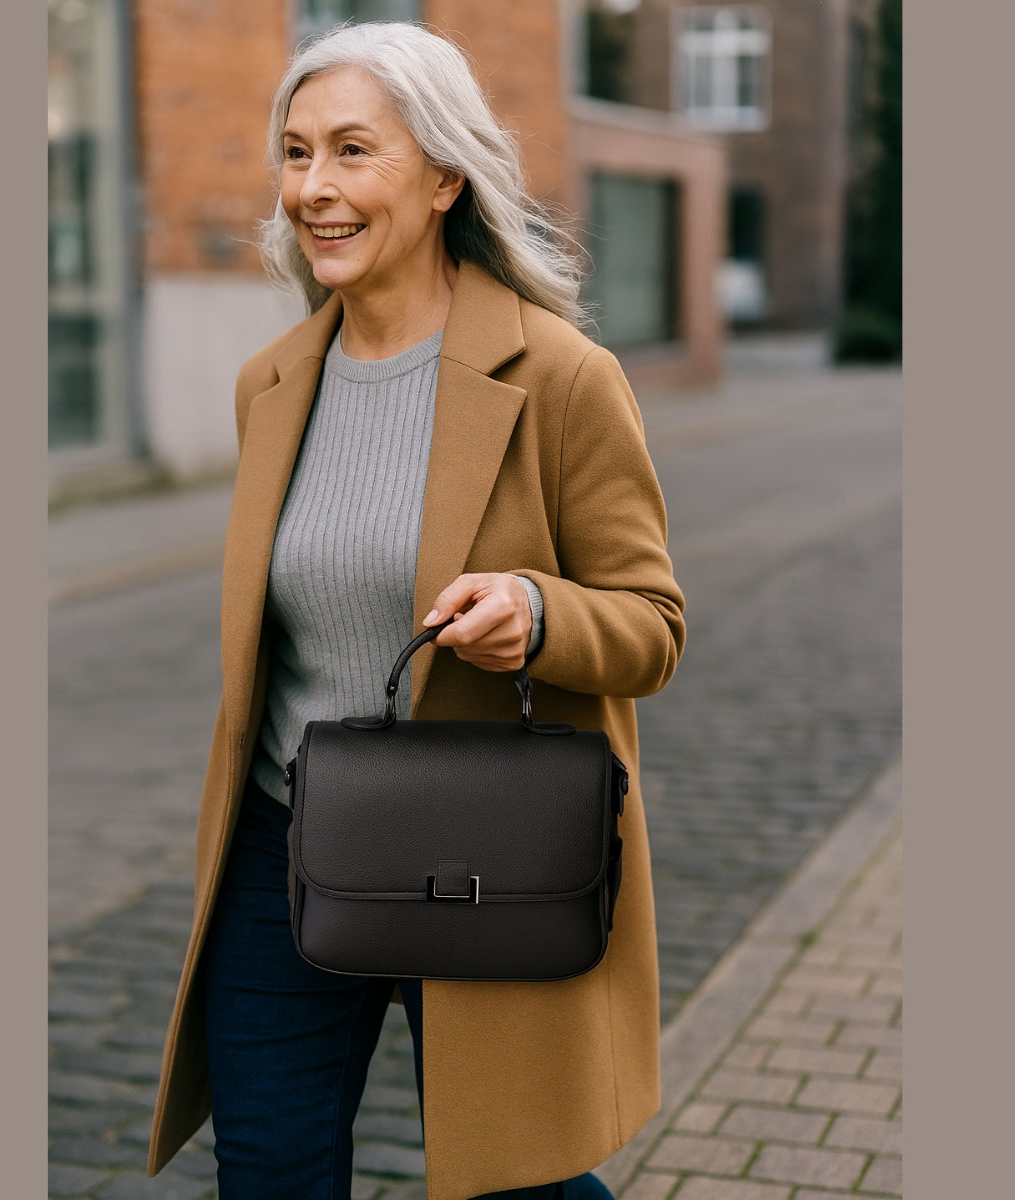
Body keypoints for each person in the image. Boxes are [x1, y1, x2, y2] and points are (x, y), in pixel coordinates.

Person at [147, 21, 686, 1200]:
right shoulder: (272, 384)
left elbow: (652, 624)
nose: (315, 190)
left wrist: (540, 614)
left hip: (481, 848)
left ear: (445, 177)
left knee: (515, 1179)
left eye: (353, 151)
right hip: (285, 842)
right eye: (295, 154)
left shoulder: (561, 378)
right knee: (272, 1171)